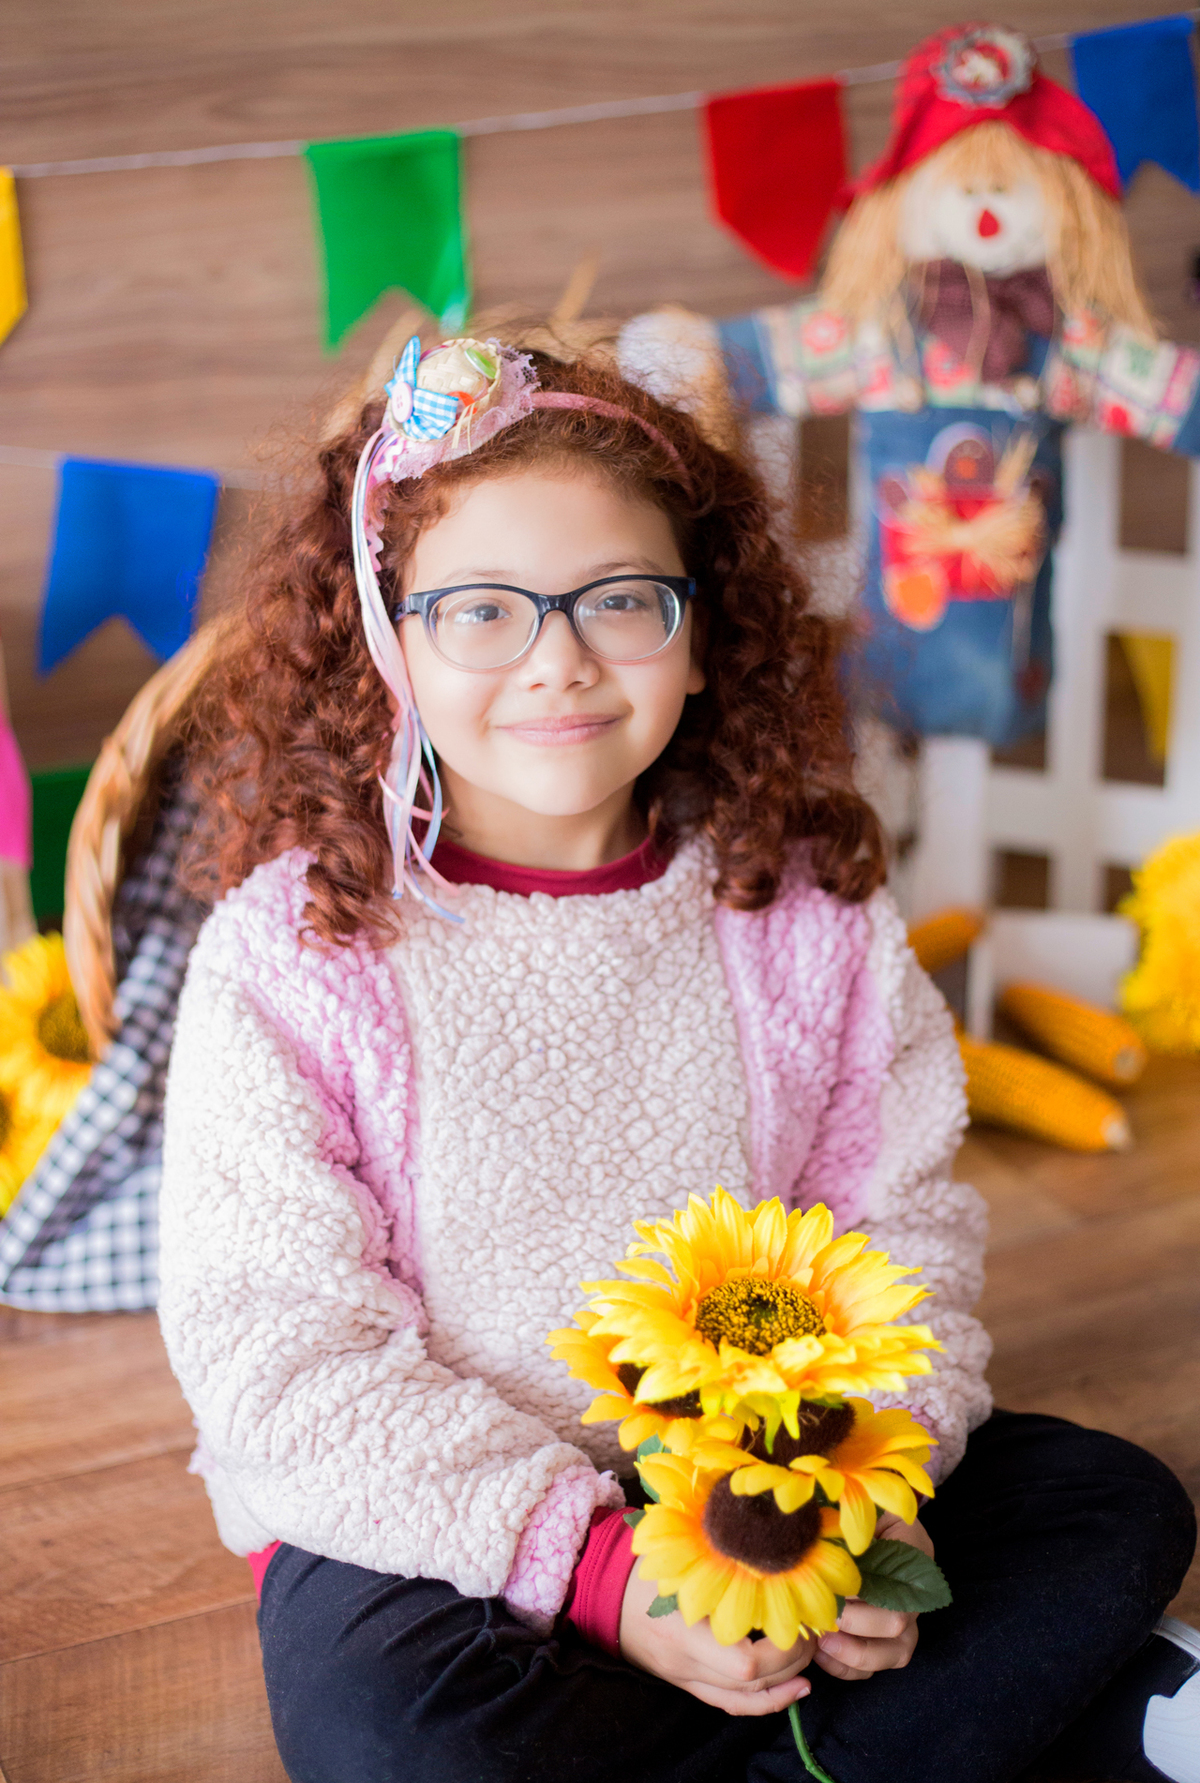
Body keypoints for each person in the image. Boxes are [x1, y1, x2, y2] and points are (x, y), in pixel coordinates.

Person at [159, 333, 1197, 1783]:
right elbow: (282, 1355)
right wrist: (611, 1581)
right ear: (387, 635)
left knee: (1118, 1502)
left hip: (756, 1468)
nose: (560, 662)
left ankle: (776, 1731)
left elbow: (898, 1236)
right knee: (400, 1735)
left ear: (704, 631)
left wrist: (859, 1500)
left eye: (622, 601)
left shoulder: (801, 910)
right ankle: (934, 1742)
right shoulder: (297, 954)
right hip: (443, 1517)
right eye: (481, 614)